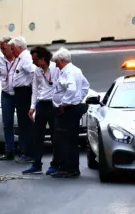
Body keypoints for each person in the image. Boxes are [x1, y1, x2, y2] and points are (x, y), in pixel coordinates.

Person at [51, 48, 89, 178]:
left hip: (67, 111)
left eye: (57, 62)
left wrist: (64, 104)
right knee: (71, 140)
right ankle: (72, 167)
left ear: (62, 61)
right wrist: (78, 98)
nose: (56, 65)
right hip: (73, 108)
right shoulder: (76, 70)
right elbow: (85, 86)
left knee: (64, 140)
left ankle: (67, 168)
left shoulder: (68, 72)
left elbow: (71, 88)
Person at [22, 46, 61, 175]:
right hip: (41, 104)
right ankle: (36, 164)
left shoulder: (56, 68)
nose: (34, 63)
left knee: (56, 137)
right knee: (38, 136)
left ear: (43, 59)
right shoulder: (37, 71)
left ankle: (55, 164)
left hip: (53, 104)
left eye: (35, 60)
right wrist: (32, 107)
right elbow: (35, 88)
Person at [0, 36, 18, 161]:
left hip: (19, 93)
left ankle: (24, 149)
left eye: (4, 48)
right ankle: (9, 150)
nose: (2, 51)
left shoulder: (20, 59)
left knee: (23, 122)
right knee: (7, 123)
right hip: (6, 93)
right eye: (1, 49)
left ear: (11, 48)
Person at [9, 36, 35, 164]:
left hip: (24, 92)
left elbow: (32, 72)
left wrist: (31, 85)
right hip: (21, 92)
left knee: (25, 123)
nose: (11, 51)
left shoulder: (25, 57)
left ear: (19, 47)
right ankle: (25, 150)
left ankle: (28, 152)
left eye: (13, 48)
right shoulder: (20, 58)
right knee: (23, 123)